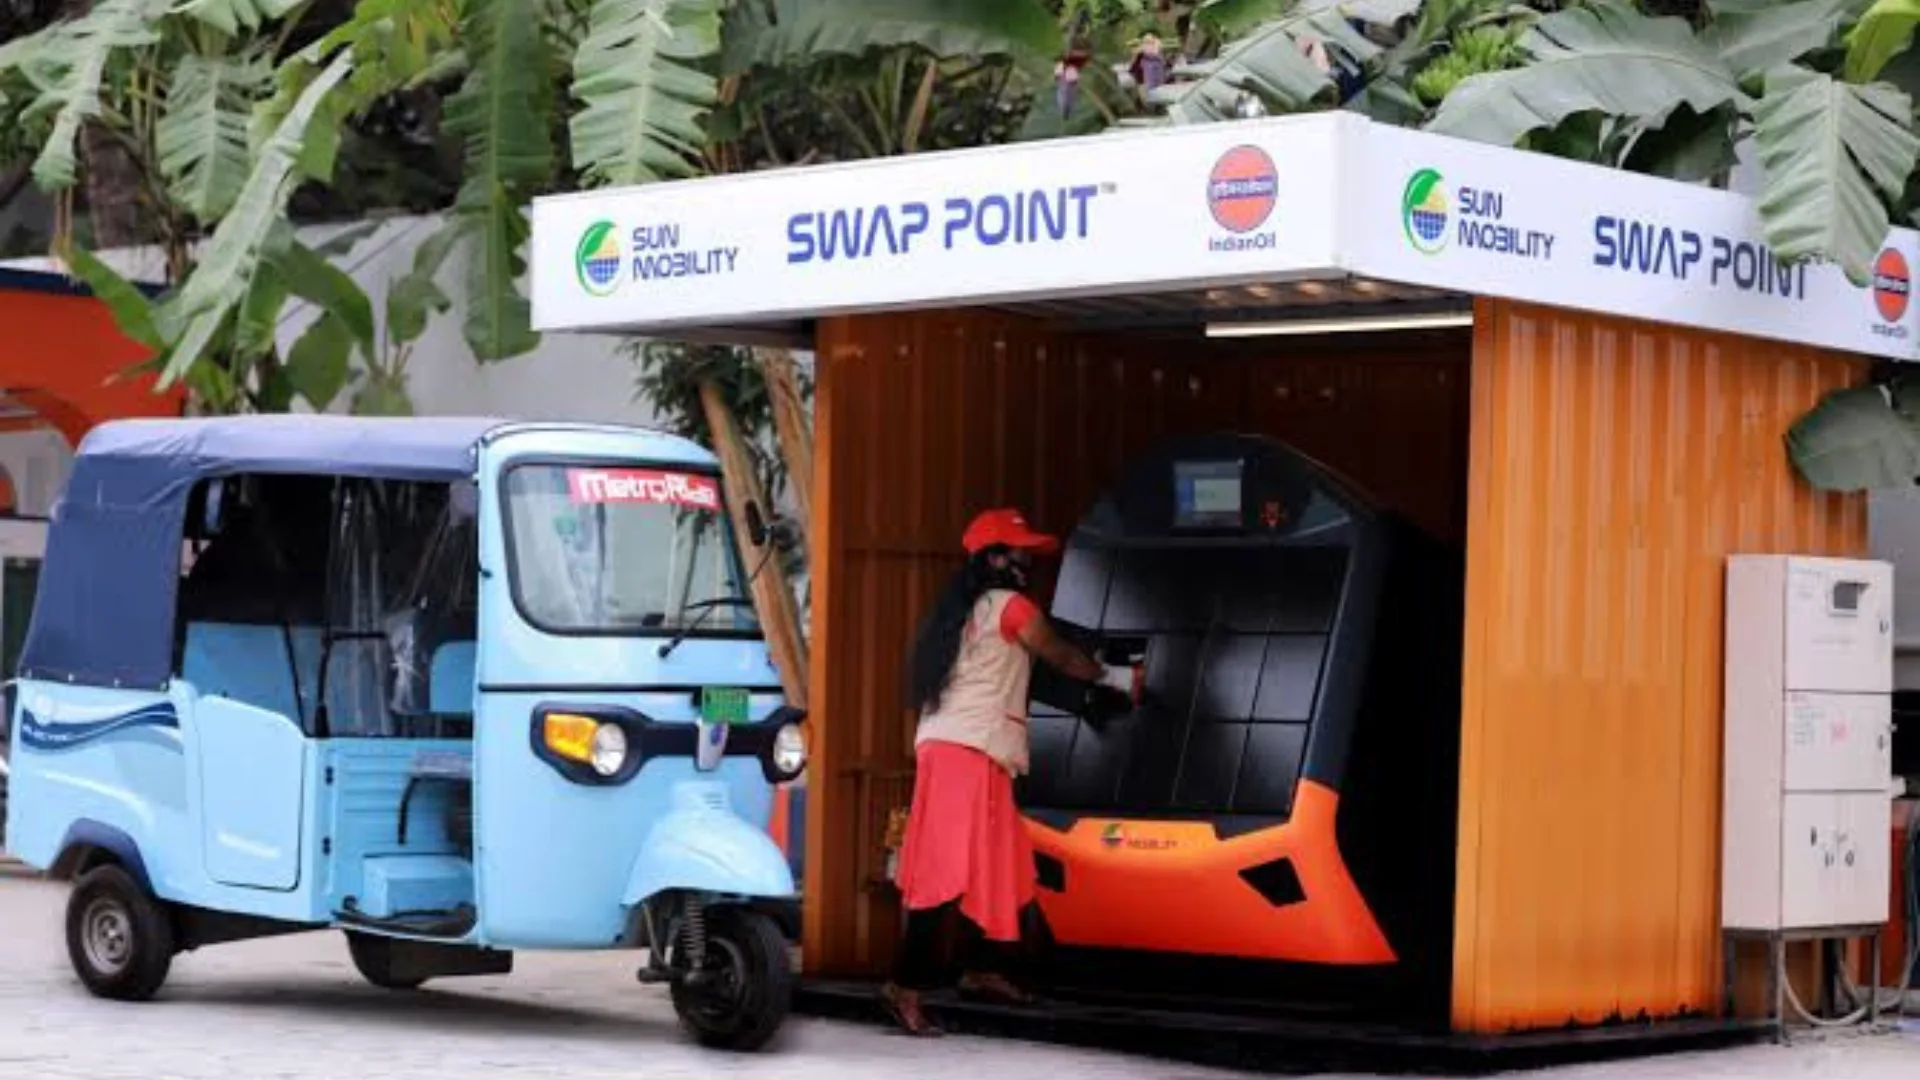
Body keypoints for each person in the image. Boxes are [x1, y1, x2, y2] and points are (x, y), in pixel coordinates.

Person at [879, 508, 1141, 1036]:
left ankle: (982, 969)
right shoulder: (1012, 607)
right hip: (966, 751)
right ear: (996, 558)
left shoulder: (961, 611)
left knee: (999, 864)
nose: (1029, 560)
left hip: (966, 747)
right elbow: (1061, 657)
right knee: (945, 872)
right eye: (1021, 551)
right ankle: (904, 986)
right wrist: (1114, 675)